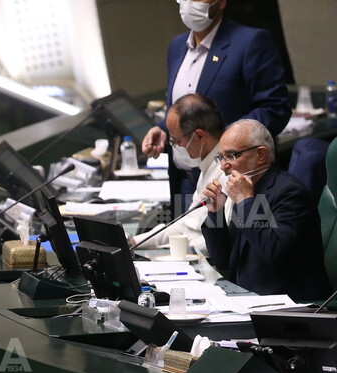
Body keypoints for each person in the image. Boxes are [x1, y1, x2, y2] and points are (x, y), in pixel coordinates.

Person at [140, 1, 289, 172]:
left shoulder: (250, 42)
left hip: (231, 174)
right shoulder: (176, 46)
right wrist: (164, 129)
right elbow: (185, 111)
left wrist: (228, 140)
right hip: (183, 175)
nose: (190, 2)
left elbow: (275, 109)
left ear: (221, 3)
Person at [201, 120, 330, 303]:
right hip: (247, 300)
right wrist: (216, 213)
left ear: (261, 155)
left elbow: (275, 254)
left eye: (231, 156)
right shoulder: (248, 191)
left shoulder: (290, 193)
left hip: (289, 308)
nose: (223, 166)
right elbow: (223, 260)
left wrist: (246, 202)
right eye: (220, 157)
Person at [135, 93, 225, 253]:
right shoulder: (207, 163)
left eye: (176, 140)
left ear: (199, 136)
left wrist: (168, 253)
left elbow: (220, 240)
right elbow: (187, 224)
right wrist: (134, 241)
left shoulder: (225, 171)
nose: (174, 145)